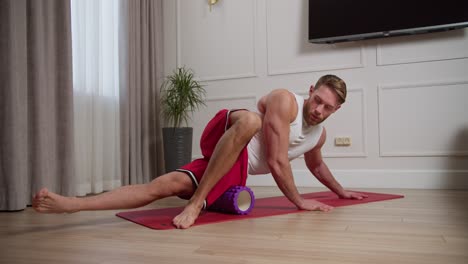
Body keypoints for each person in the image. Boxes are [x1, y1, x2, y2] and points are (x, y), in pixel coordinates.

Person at [33, 74, 368, 229]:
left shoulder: (318, 136)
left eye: (328, 108)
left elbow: (317, 166)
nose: (319, 110)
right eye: (318, 100)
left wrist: (341, 191)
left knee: (163, 186)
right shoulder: (286, 101)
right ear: (310, 91)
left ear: (335, 112)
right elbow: (276, 160)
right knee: (251, 120)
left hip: (227, 167)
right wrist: (300, 201)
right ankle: (195, 205)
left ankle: (72, 205)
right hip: (224, 133)